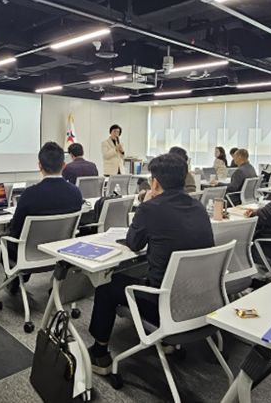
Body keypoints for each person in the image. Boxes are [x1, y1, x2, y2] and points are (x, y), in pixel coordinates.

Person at [87, 153, 214, 374]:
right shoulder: (199, 207)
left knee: (108, 286)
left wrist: (145, 203)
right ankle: (167, 343)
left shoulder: (150, 209)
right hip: (199, 299)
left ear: (155, 183)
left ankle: (99, 354)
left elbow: (134, 243)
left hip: (163, 305)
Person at [6, 142, 83, 291]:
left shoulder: (29, 194)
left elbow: (15, 230)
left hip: (28, 255)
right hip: (60, 253)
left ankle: (15, 279)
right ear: (64, 165)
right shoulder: (76, 193)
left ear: (39, 166)